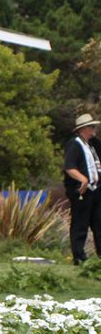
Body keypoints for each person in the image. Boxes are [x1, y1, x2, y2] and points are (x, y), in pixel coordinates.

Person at [64, 113, 101, 265]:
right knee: (80, 223)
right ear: (84, 128)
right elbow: (69, 167)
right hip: (82, 190)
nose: (94, 130)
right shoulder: (74, 144)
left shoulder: (93, 144)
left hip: (96, 190)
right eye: (92, 127)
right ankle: (79, 256)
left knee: (98, 223)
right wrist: (83, 179)